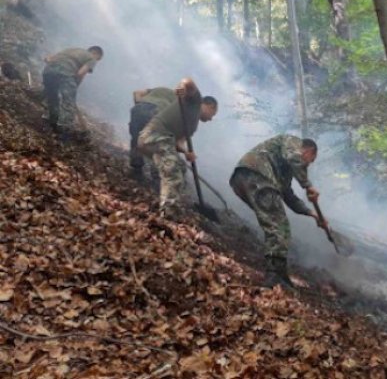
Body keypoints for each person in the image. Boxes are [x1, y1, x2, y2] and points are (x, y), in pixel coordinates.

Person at [229, 135, 327, 287]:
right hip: (258, 175)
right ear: (309, 151)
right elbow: (295, 158)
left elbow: (288, 195)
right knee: (279, 227)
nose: (308, 164)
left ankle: (279, 273)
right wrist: (308, 186)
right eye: (311, 160)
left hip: (243, 179)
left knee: (275, 223)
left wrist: (313, 214)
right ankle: (273, 275)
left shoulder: (283, 169)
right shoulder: (293, 142)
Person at [137, 78, 218, 219]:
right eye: (213, 114)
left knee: (180, 167)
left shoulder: (192, 127)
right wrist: (181, 88)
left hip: (160, 142)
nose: (211, 119)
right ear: (209, 106)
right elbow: (188, 82)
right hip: (153, 135)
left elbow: (177, 143)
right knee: (173, 171)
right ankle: (167, 213)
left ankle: (166, 198)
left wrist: (187, 153)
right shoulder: (195, 102)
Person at [42, 46, 103, 138]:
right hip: (65, 74)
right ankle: (63, 129)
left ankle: (48, 120)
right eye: (98, 59)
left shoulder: (71, 50)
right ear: (96, 54)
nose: (96, 61)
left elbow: (48, 59)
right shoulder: (91, 58)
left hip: (48, 71)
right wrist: (74, 88)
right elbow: (80, 73)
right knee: (68, 103)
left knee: (52, 97)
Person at [129, 86, 184, 179]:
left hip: (138, 109)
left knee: (136, 139)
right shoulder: (181, 104)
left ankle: (136, 170)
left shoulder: (161, 89)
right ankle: (155, 176)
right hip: (156, 113)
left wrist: (139, 106)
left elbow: (136, 92)